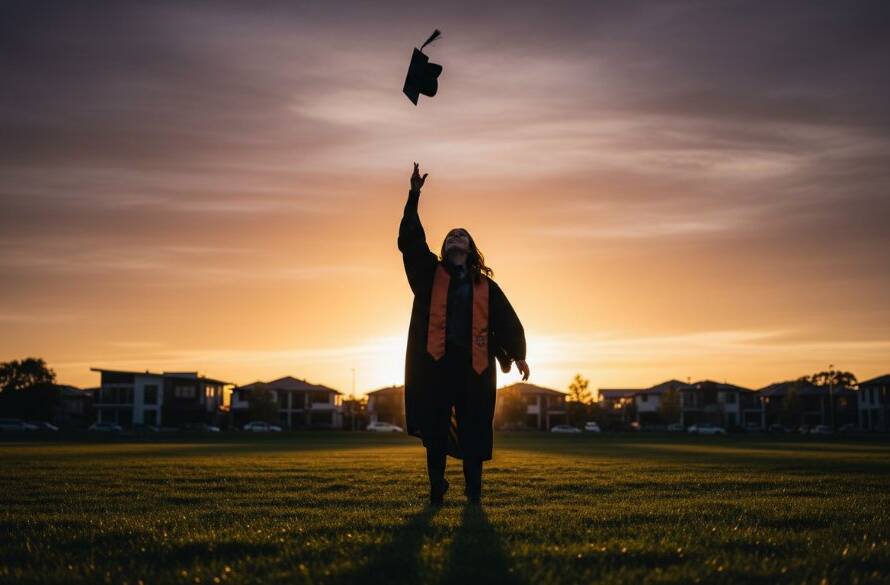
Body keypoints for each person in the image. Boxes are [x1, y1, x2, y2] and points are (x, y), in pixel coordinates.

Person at [398, 162, 529, 505]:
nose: (456, 237)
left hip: (476, 369)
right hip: (435, 366)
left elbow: (506, 319)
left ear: (471, 248)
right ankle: (437, 486)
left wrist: (518, 354)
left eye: (462, 235)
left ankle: (474, 492)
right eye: (450, 235)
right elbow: (411, 243)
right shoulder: (429, 274)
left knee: (474, 429)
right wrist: (414, 195)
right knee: (436, 429)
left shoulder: (485, 286)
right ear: (444, 247)